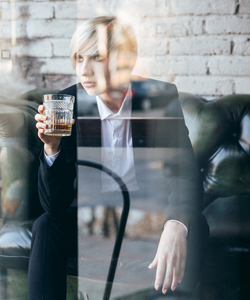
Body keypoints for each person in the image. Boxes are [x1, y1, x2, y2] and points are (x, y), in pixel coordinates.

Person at [30, 16, 209, 299]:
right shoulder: (66, 105)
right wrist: (52, 148)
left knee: (194, 223)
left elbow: (184, 173)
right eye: (78, 58)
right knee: (45, 225)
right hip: (90, 220)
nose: (84, 70)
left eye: (96, 57)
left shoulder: (158, 98)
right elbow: (54, 206)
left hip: (146, 218)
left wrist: (176, 224)